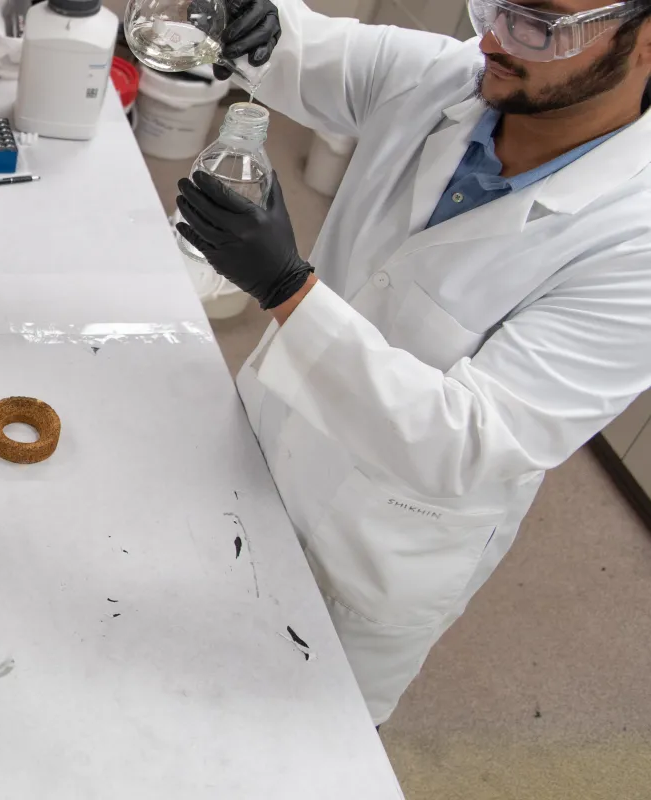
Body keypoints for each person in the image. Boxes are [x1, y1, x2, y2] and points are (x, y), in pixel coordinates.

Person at [174, 0, 651, 724]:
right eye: (494, 6)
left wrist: (287, 290)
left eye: (538, 23)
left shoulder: (633, 248)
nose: (492, 39)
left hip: (370, 547)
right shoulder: (454, 77)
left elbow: (469, 441)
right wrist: (244, 20)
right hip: (259, 442)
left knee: (291, 739)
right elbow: (298, 46)